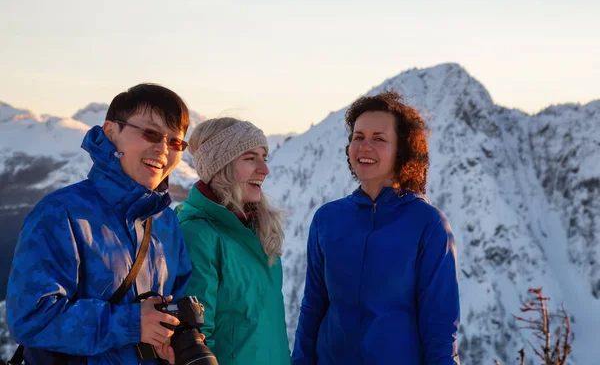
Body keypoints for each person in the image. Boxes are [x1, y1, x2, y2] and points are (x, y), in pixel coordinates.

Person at [6, 83, 193, 365]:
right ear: (110, 132)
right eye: (151, 133)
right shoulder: (61, 213)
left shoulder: (165, 222)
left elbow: (174, 300)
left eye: (176, 142)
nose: (163, 149)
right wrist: (131, 323)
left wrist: (172, 338)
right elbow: (31, 318)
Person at [292, 91, 460, 364]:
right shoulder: (327, 218)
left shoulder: (427, 224)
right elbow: (313, 306)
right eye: (358, 137)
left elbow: (439, 325)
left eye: (378, 139)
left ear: (402, 151)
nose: (364, 147)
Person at [177, 117, 291, 365]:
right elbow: (197, 339)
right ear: (221, 166)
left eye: (264, 157)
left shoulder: (258, 228)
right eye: (251, 158)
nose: (265, 169)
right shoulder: (198, 234)